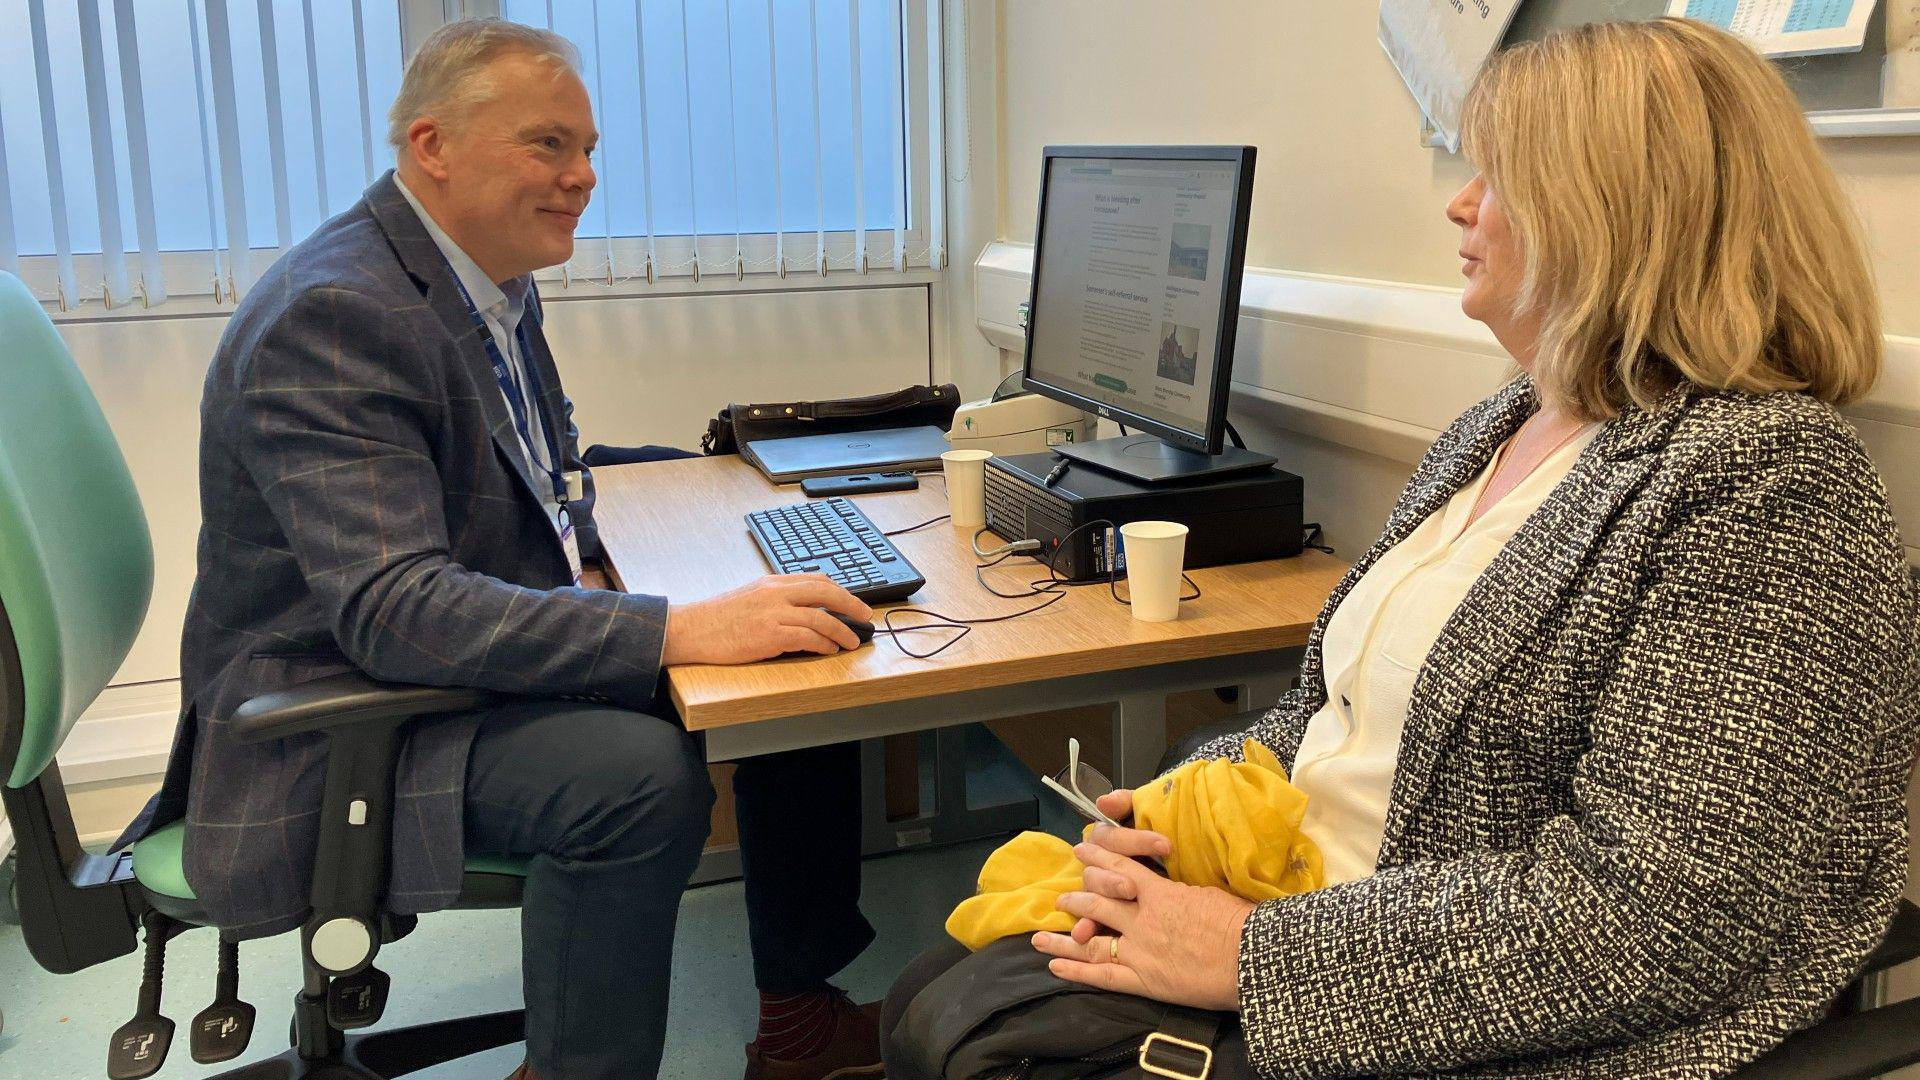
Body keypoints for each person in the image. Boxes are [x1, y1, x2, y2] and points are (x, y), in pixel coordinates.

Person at [885, 17, 1919, 1078]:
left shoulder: (1771, 483)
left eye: (1501, 180)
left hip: (1424, 1008)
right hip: (1304, 910)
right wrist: (1177, 808)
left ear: (1619, 219)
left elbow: (1656, 914)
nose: (1460, 204)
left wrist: (1245, 954)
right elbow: (1328, 714)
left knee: (981, 1051)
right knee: (931, 1003)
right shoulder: (1501, 426)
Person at [120, 19, 884, 1080]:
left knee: (806, 651)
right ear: (433, 145)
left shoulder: (478, 272)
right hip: (336, 716)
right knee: (637, 780)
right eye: (549, 146)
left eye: (588, 150)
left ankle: (800, 1025)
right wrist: (674, 624)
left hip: (422, 660)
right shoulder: (340, 311)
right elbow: (397, 609)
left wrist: (656, 523)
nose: (582, 178)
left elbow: (535, 467)